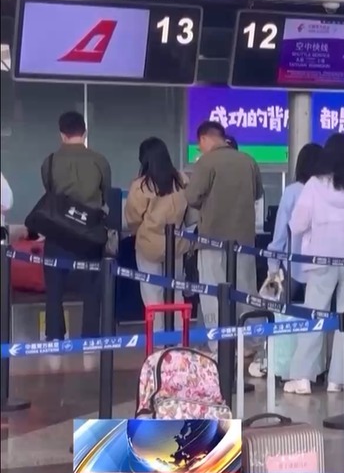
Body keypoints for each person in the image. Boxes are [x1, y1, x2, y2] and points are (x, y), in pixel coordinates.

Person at [285, 134, 344, 395]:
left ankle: (303, 377)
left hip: (320, 257)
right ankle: (338, 379)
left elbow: (297, 224)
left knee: (314, 316)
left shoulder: (314, 185)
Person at [184, 121, 264, 348]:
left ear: (203, 139)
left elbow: (191, 197)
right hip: (244, 241)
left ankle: (220, 347)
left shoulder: (206, 162)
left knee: (213, 295)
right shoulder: (248, 161)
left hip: (212, 239)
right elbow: (257, 193)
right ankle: (254, 344)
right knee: (246, 293)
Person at [40, 111, 112, 340]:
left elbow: (49, 192)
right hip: (89, 234)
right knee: (92, 289)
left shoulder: (50, 161)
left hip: (58, 234)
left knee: (54, 290)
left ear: (61, 134)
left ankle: (54, 338)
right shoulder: (100, 161)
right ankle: (90, 340)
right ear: (85, 132)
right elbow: (106, 196)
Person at [252, 143, 323, 379]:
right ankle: (314, 369)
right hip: (320, 270)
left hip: (292, 268)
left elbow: (281, 233)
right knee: (317, 320)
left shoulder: (293, 192)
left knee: (281, 316)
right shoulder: (327, 192)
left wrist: (273, 267)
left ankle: (279, 365)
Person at [124, 137, 192, 330]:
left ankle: (158, 340)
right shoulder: (182, 180)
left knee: (152, 295)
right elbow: (190, 212)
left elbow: (132, 218)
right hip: (177, 244)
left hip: (148, 246)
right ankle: (179, 337)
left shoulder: (141, 186)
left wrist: (140, 232)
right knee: (176, 291)